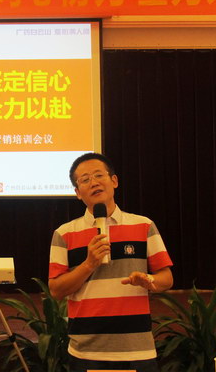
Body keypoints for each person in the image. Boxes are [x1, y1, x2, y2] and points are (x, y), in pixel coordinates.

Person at [48, 152, 173, 372]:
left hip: (137, 349)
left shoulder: (144, 225)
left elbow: (167, 279)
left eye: (99, 175)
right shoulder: (64, 233)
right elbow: (56, 290)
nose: (94, 182)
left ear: (114, 181)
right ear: (77, 193)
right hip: (86, 351)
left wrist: (148, 280)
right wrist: (89, 264)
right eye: (85, 179)